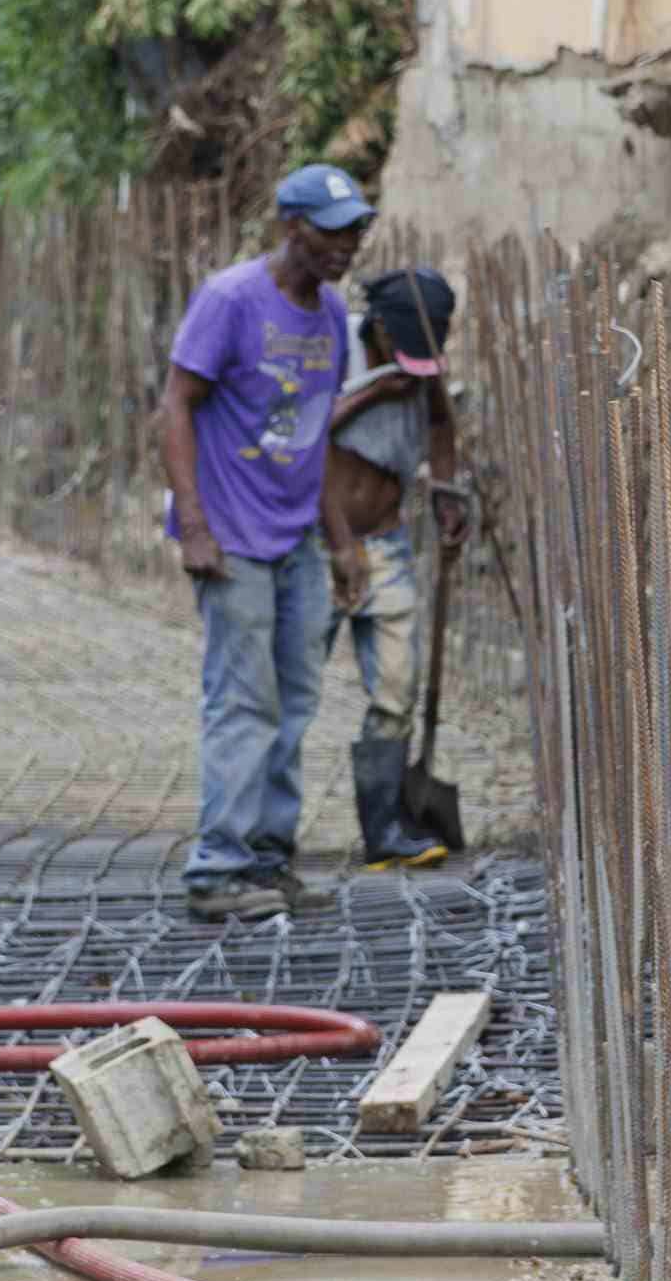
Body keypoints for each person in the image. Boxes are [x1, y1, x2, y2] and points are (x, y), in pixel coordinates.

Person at [156, 163, 374, 922]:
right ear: (292, 228)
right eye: (333, 231)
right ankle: (216, 869)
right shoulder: (231, 300)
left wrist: (341, 541)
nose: (348, 245)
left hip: (293, 538)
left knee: (297, 698)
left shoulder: (328, 317)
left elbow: (312, 439)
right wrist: (193, 524)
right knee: (243, 699)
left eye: (356, 231)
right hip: (232, 537)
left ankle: (267, 856)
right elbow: (177, 406)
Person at [328, 266, 466, 871]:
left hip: (384, 545)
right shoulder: (330, 347)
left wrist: (445, 489)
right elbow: (299, 436)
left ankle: (383, 829)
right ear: (378, 329)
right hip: (314, 550)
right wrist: (369, 394)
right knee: (283, 695)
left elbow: (439, 422)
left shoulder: (422, 365)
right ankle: (260, 839)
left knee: (395, 690)